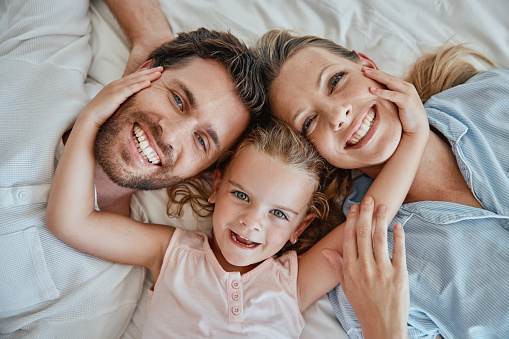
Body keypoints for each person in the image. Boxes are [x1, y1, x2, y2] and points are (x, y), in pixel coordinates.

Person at [45, 53, 427, 336]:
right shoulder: (171, 253)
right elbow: (72, 222)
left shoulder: (294, 282)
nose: (251, 221)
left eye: (279, 214)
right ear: (215, 186)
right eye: (241, 196)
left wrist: (416, 137)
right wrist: (90, 120)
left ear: (301, 226)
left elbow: (373, 216)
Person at [0, 0, 264, 337]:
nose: (170, 135)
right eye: (178, 99)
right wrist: (149, 33)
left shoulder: (104, 292)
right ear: (145, 72)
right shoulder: (45, 60)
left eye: (201, 142)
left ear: (200, 173)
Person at [256, 29, 509, 337]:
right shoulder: (368, 264)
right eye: (309, 122)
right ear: (312, 153)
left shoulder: (494, 97)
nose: (337, 114)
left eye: (336, 81)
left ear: (368, 67)